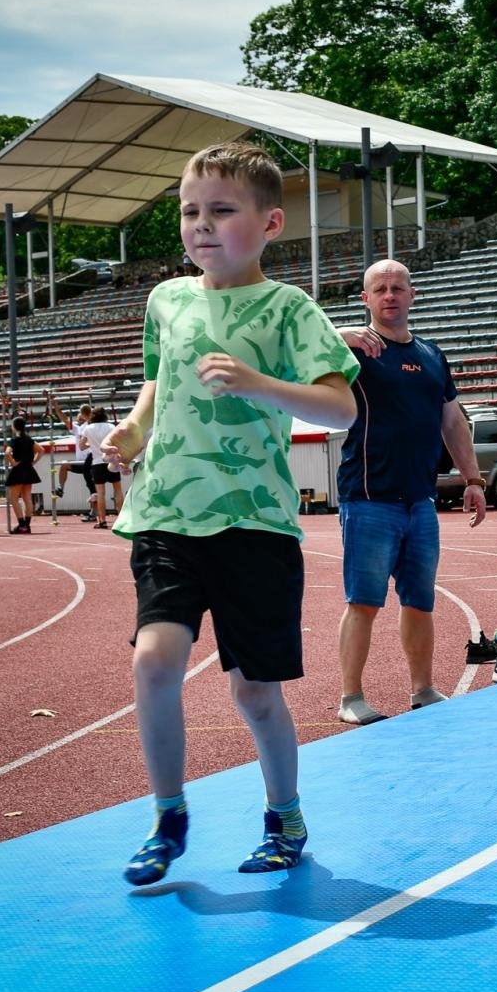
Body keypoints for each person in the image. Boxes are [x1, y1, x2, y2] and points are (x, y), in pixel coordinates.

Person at [99, 141, 358, 886]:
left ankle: (285, 814)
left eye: (221, 211)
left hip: (253, 524)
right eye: (189, 212)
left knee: (254, 690)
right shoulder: (166, 301)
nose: (201, 226)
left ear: (271, 222)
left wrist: (256, 382)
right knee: (153, 661)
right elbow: (158, 379)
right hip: (167, 515)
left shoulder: (288, 309)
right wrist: (133, 430)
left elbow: (339, 406)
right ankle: (169, 813)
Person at [333, 258, 487, 726]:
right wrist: (341, 334)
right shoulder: (355, 351)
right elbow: (298, 352)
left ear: (412, 294)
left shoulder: (432, 355)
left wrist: (474, 479)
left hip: (420, 501)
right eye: (379, 288)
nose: (389, 294)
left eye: (398, 286)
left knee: (420, 600)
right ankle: (350, 697)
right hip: (369, 497)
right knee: (363, 601)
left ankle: (422, 689)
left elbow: (453, 421)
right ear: (366, 299)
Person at [50, 398, 96, 518]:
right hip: (80, 462)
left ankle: (93, 512)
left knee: (91, 484)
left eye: (81, 417)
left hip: (91, 461)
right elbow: (64, 419)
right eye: (78, 418)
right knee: (64, 465)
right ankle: (61, 488)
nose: (79, 419)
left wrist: (88, 410)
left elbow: (92, 417)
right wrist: (56, 407)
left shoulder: (91, 425)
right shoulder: (78, 429)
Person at [80, 407, 121, 528]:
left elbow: (81, 446)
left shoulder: (88, 428)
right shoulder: (111, 427)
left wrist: (92, 445)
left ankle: (102, 520)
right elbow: (117, 441)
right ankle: (121, 518)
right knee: (117, 489)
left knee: (100, 493)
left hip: (97, 462)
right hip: (111, 460)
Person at [4, 415, 45, 534]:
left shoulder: (15, 439)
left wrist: (13, 462)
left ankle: (22, 524)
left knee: (14, 499)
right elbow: (41, 450)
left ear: (14, 427)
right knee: (27, 498)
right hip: (28, 468)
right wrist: (33, 462)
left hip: (19, 469)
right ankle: (27, 524)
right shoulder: (29, 439)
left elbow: (7, 453)